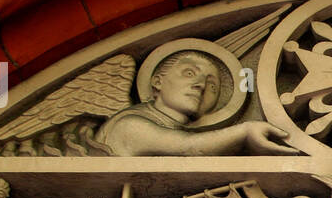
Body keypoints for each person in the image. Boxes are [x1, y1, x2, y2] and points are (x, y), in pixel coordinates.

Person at [95, 50, 298, 156]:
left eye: (212, 85)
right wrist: (244, 132)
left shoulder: (171, 127)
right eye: (189, 73)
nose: (200, 85)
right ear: (157, 81)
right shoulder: (130, 126)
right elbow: (189, 147)